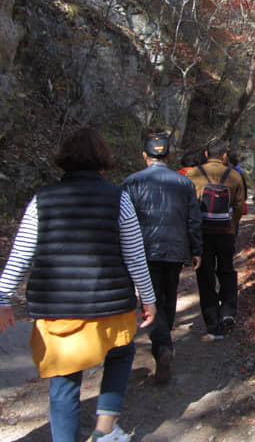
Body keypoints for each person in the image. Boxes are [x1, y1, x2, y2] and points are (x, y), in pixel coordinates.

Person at [0, 127, 157, 442]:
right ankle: (105, 430)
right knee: (121, 353)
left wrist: (3, 297)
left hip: (57, 309)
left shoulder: (41, 200)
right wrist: (148, 299)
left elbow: (20, 253)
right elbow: (135, 256)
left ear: (65, 160)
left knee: (63, 380)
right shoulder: (118, 199)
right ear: (102, 160)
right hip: (110, 304)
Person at [121, 132, 202, 384]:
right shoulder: (184, 183)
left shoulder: (131, 183)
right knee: (167, 297)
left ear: (144, 155)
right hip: (175, 250)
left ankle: (163, 347)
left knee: (150, 298)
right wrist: (196, 249)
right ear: (168, 156)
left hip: (143, 251)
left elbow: (122, 222)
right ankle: (163, 346)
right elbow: (193, 219)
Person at [186, 137, 244, 340]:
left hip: (202, 234)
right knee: (227, 271)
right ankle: (228, 311)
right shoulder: (234, 176)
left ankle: (212, 323)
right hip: (225, 233)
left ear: (205, 154)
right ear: (224, 155)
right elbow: (238, 207)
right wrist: (231, 224)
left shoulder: (192, 175)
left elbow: (188, 206)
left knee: (205, 276)